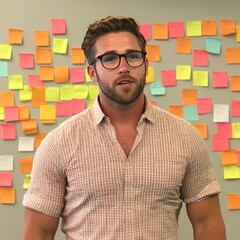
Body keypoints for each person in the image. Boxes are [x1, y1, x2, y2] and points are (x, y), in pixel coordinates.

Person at [23, 16, 226, 240]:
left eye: (132, 56)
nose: (124, 67)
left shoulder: (185, 137)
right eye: (110, 59)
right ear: (92, 72)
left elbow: (208, 223)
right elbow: (38, 232)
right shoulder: (59, 143)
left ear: (146, 65)